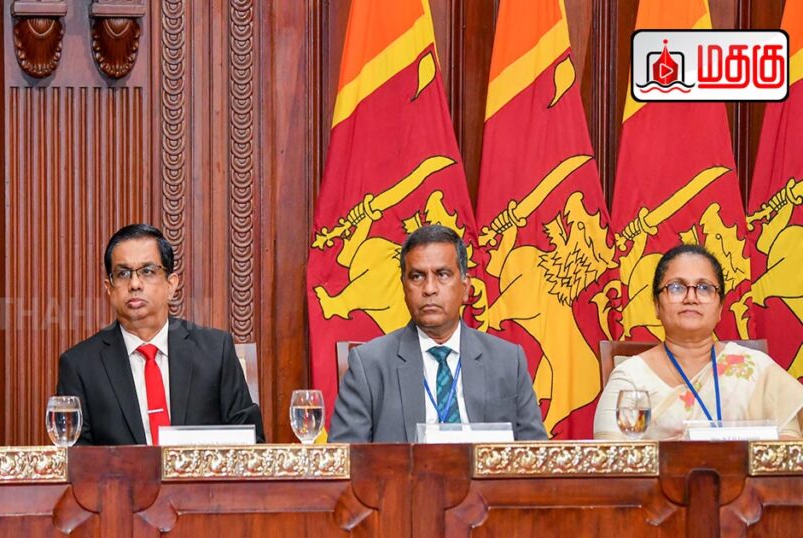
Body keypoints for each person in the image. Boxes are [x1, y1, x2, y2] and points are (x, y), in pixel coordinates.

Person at [330, 224, 548, 442]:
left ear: (465, 287)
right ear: (404, 287)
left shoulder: (508, 361)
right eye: (417, 276)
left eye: (442, 274)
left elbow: (537, 453)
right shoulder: (368, 365)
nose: (429, 289)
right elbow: (345, 456)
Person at [56, 223, 263, 445]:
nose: (135, 284)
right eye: (123, 273)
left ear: (171, 285)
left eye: (147, 271)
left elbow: (251, 444)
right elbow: (73, 457)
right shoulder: (80, 366)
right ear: (109, 288)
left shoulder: (215, 351)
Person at [594, 244, 803, 440]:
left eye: (704, 288)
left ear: (720, 308)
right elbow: (611, 458)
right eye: (676, 287)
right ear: (656, 305)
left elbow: (789, 449)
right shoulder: (630, 377)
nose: (691, 297)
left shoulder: (757, 369)